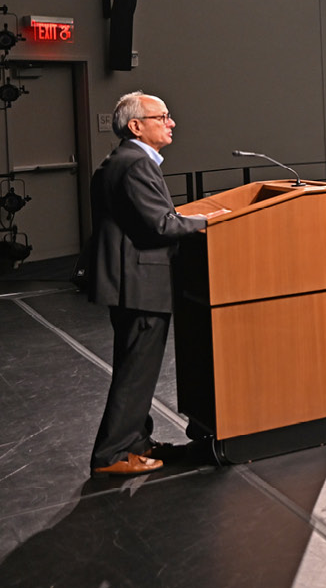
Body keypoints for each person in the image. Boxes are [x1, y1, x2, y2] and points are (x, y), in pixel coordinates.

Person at [89, 91, 209, 475]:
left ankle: (137, 442)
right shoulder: (135, 163)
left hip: (133, 282)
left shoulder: (126, 160)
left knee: (136, 367)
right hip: (138, 284)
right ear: (136, 125)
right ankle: (112, 454)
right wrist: (212, 221)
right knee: (135, 371)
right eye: (163, 117)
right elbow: (160, 225)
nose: (171, 123)